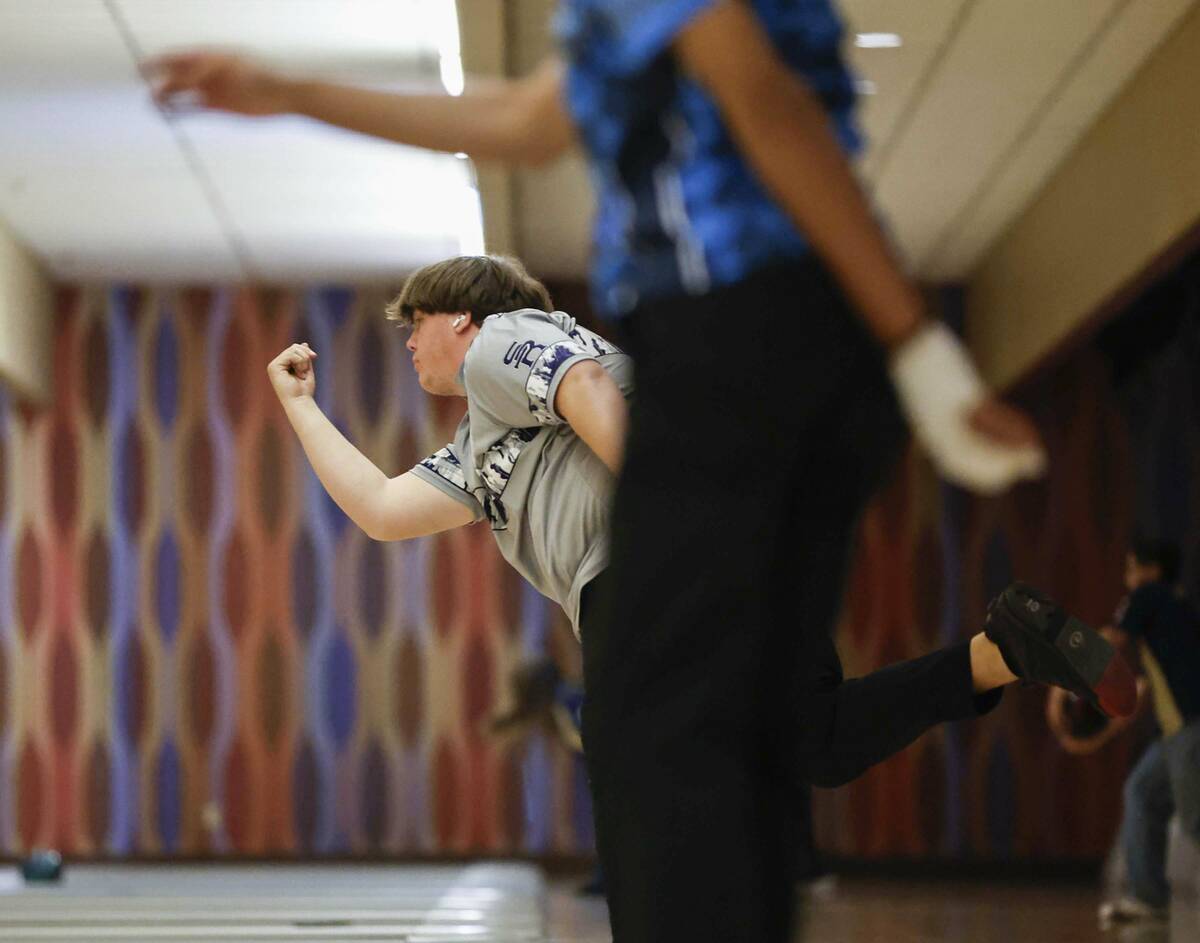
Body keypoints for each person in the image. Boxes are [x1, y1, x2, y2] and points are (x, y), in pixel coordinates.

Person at [157, 6, 1130, 937]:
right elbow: (378, 508)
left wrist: (913, 359)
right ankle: (998, 653)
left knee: (656, 788)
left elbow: (758, 119)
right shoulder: (484, 442)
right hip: (751, 422)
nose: (411, 351)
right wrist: (297, 404)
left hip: (710, 423)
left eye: (415, 329)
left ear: (460, 317)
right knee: (797, 744)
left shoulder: (504, 338)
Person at [1047, 539, 1200, 924]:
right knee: (1141, 793)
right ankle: (1149, 898)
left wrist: (1058, 687)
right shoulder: (1169, 624)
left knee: (1196, 818)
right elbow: (1133, 702)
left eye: (1132, 568)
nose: (1126, 578)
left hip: (1192, 728)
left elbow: (1105, 643)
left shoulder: (1151, 595)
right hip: (1172, 734)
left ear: (1151, 570)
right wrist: (1085, 741)